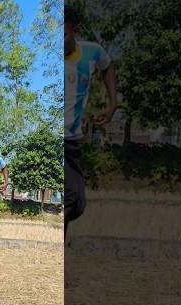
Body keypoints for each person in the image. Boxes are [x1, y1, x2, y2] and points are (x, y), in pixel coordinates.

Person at [64, 4, 117, 237]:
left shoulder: (92, 52)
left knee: (78, 205)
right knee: (68, 198)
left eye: (64, 35)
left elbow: (107, 68)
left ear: (75, 31)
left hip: (73, 141)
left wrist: (112, 102)